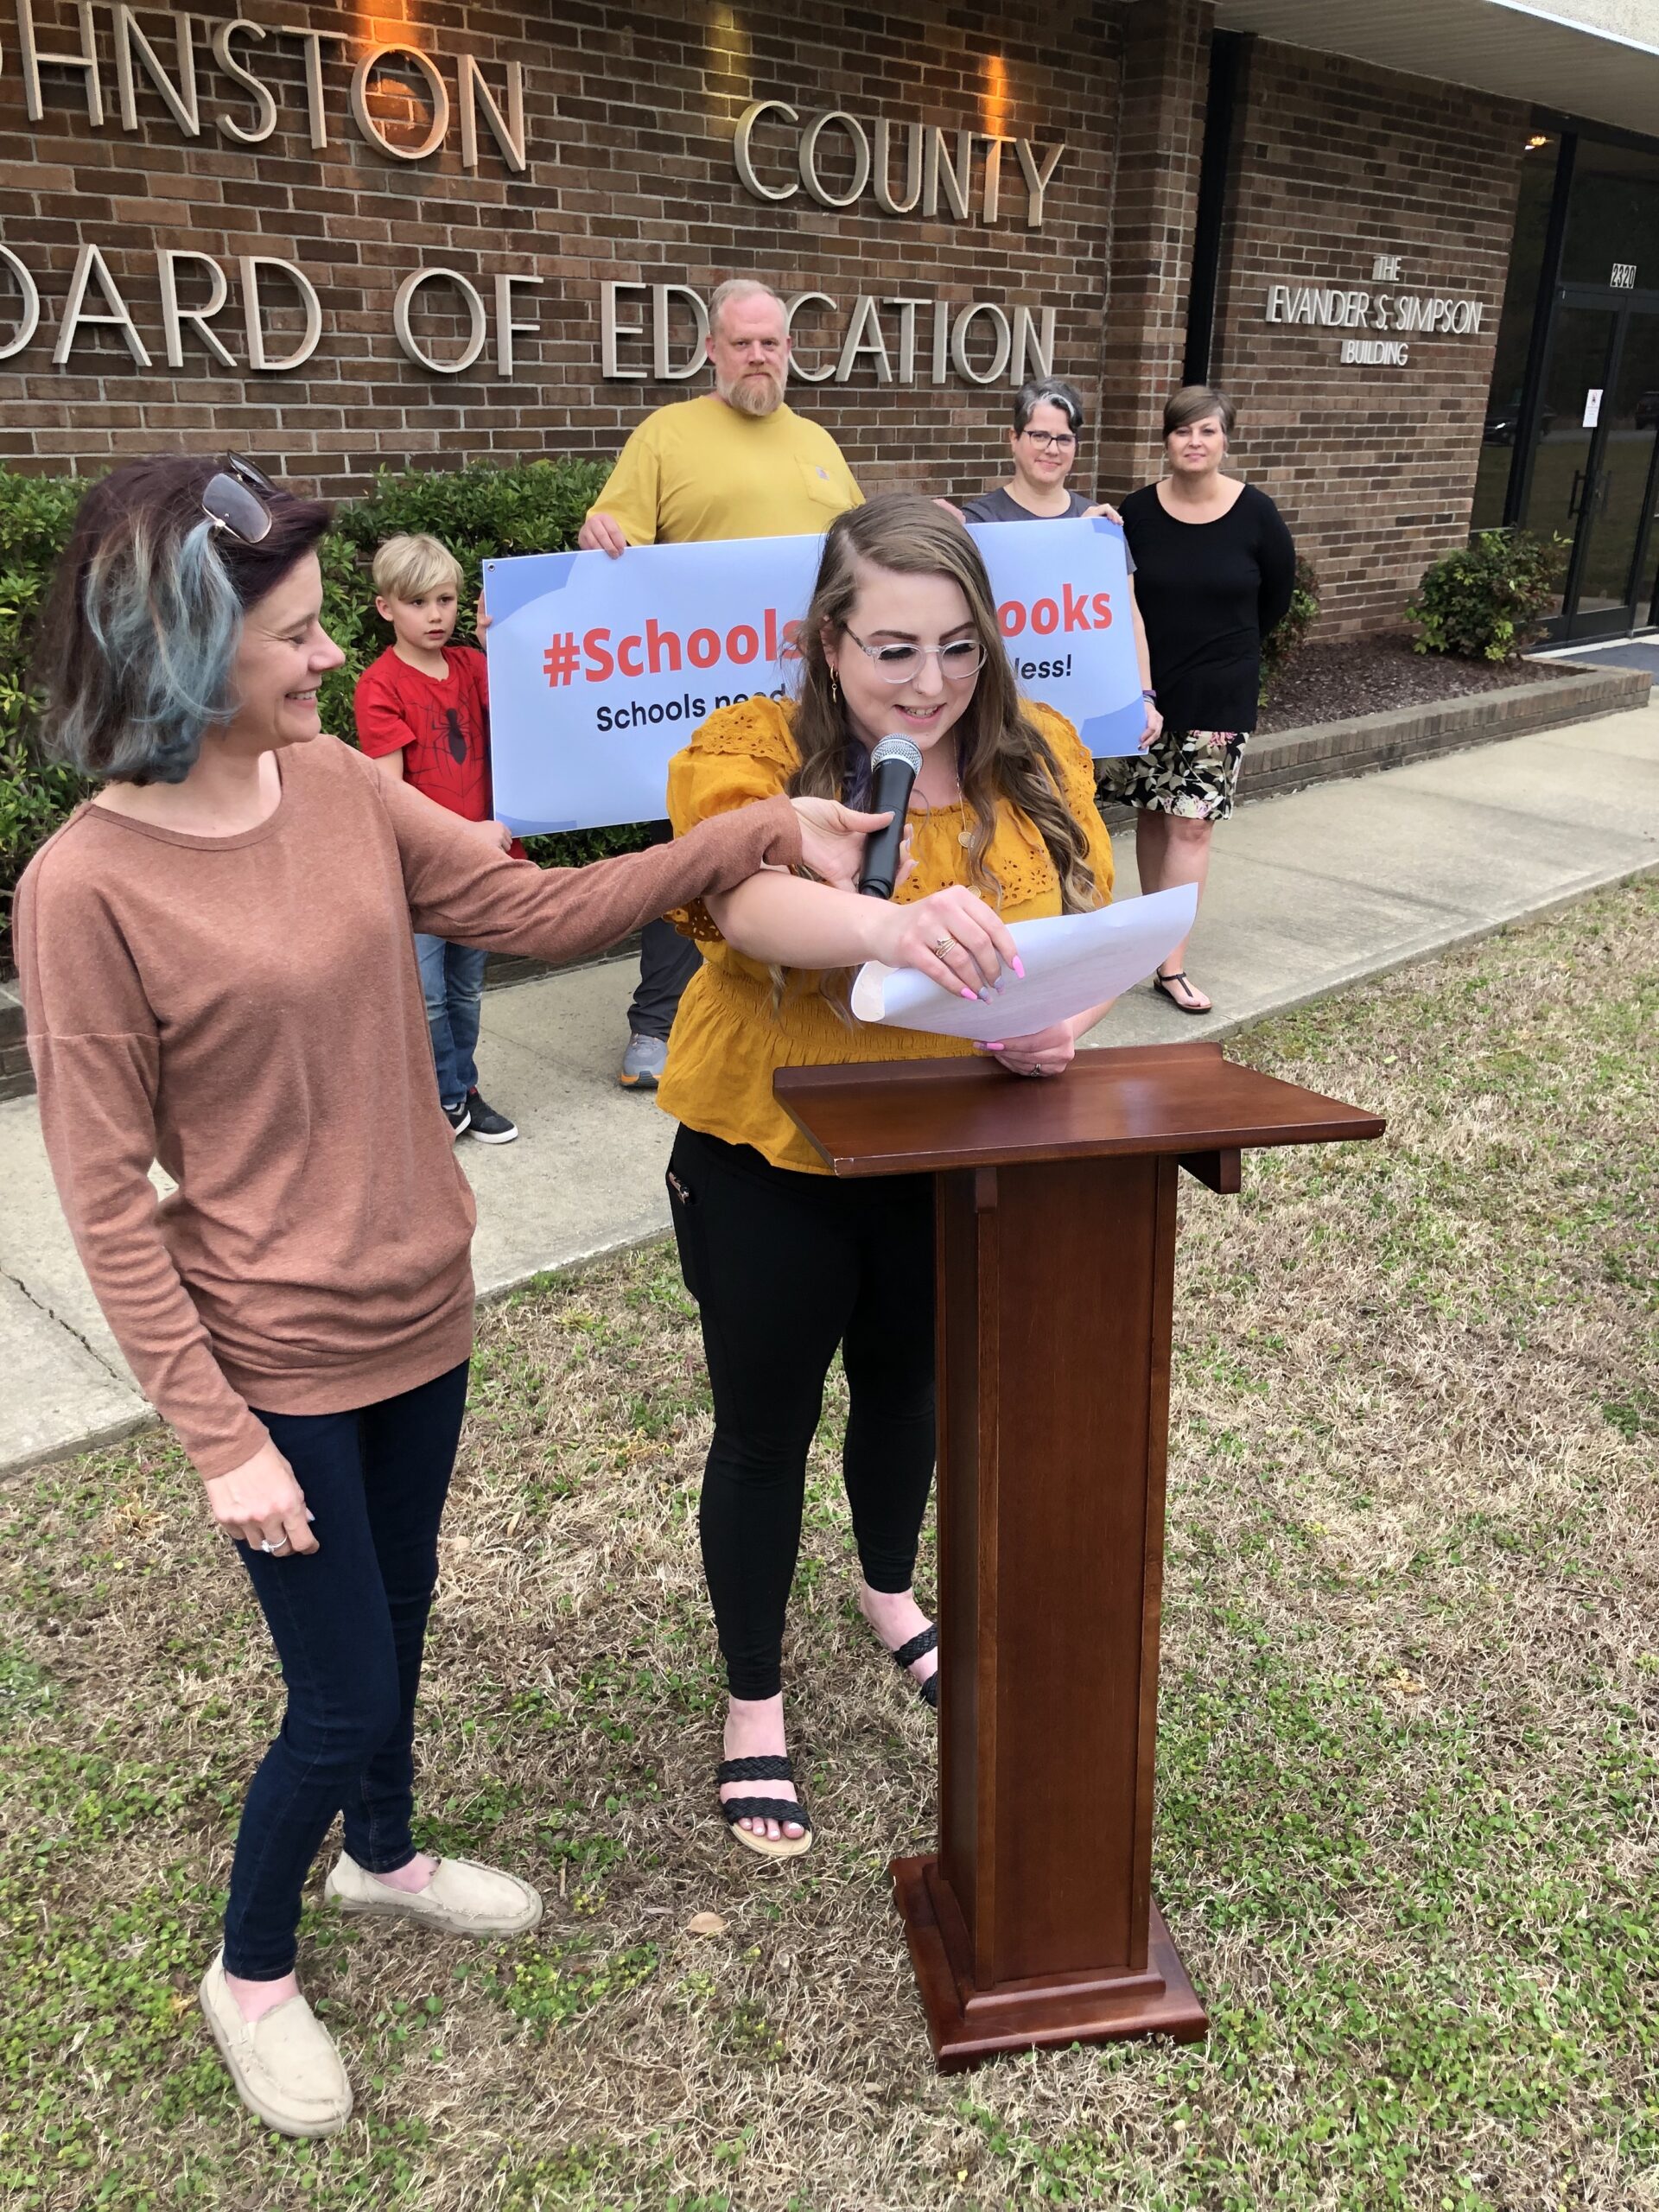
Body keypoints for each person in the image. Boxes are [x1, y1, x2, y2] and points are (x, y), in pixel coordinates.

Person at [13, 453, 889, 2139]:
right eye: (291, 632)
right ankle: (250, 1966)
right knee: (336, 1689)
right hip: (274, 1354)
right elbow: (109, 1200)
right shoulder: (87, 888)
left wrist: (746, 834)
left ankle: (388, 1857)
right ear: (183, 653)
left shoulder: (339, 787)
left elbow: (535, 905)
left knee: (401, 1620)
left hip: (424, 1304)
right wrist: (217, 1440)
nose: (330, 654)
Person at [657, 493, 1119, 1859]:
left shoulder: (1037, 755)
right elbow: (742, 906)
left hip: (949, 1150)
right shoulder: (750, 749)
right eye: (894, 651)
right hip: (771, 1153)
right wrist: (897, 920)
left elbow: (1089, 929)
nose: (930, 683)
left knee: (910, 1388)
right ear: (827, 640)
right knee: (762, 1430)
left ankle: (886, 1592)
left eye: (959, 647)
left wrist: (1063, 1026)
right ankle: (754, 1705)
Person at [579, 276, 864, 1093]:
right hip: (701, 697)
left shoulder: (818, 443)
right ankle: (656, 1022)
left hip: (810, 698)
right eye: (742, 343)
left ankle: (812, 995)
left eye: (771, 342)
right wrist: (594, 535)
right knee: (699, 844)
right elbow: (613, 552)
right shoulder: (666, 436)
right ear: (711, 349)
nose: (758, 356)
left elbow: (862, 549)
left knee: (810, 844)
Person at [1104, 385, 1296, 1015]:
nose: (1195, 441)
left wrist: (1229, 653)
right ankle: (1152, 946)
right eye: (1184, 430)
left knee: (1191, 822)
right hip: (1151, 692)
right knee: (1155, 816)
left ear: (1224, 440)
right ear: (1166, 439)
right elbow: (1115, 598)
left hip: (1220, 692)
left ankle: (1171, 965)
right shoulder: (1135, 513)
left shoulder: (1256, 514)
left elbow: (1276, 600)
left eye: (1208, 431)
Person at [355, 531, 518, 1143]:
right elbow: (390, 795)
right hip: (423, 867)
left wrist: (493, 647)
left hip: (479, 866)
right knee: (427, 998)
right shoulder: (379, 686)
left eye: (446, 600)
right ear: (386, 608)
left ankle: (463, 1090)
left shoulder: (473, 667)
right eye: (419, 602)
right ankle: (444, 1098)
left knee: (465, 989)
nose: (435, 615)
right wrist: (465, 833)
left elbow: (522, 716)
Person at [960, 376, 1161, 749]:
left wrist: (1144, 698)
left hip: (1076, 727)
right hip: (999, 723)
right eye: (1039, 435)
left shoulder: (1101, 525)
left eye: (1064, 438)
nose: (1051, 449)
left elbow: (1128, 618)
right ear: (1014, 438)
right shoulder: (978, 523)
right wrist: (1068, 548)